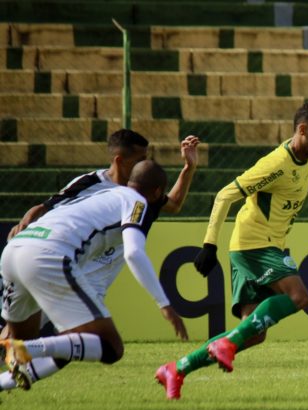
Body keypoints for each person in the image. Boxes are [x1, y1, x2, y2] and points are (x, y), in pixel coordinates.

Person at [154, 87, 308, 399]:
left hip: (262, 245)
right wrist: (209, 245)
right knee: (300, 297)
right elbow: (225, 195)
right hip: (254, 244)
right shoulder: (276, 164)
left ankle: (177, 369)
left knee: (252, 334)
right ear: (302, 131)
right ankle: (223, 345)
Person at [0, 130, 199, 391]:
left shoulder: (109, 195)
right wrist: (165, 304)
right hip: (54, 261)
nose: (142, 162)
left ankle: (8, 374)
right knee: (107, 346)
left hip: (16, 252)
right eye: (139, 157)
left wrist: (188, 168)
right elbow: (133, 252)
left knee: (44, 341)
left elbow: (171, 203)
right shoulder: (129, 198)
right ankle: (26, 348)